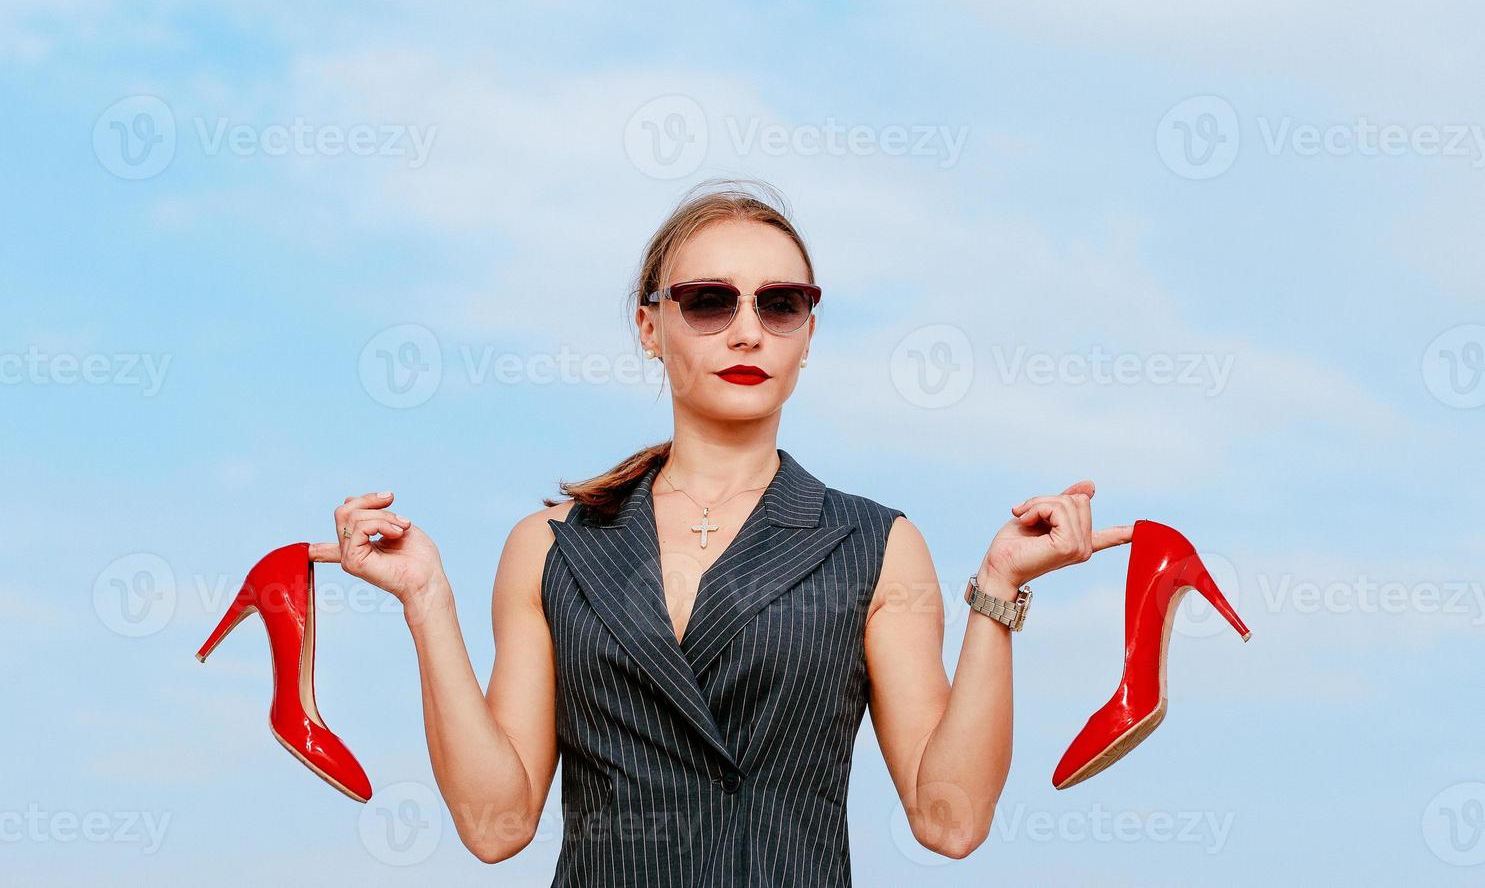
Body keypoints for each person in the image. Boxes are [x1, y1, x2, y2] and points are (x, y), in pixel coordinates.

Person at [310, 179, 1134, 885]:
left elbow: (949, 820)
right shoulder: (554, 546)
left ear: (808, 334)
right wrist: (425, 599)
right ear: (648, 326)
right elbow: (495, 826)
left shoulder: (873, 544)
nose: (748, 330)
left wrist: (998, 588)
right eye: (709, 301)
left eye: (780, 304)